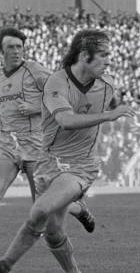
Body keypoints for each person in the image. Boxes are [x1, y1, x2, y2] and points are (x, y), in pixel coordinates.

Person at [0, 29, 136, 273]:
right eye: (104, 55)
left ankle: (4, 265)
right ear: (84, 56)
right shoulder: (56, 82)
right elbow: (65, 119)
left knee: (39, 210)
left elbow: (97, 108)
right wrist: (110, 116)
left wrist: (116, 114)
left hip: (79, 166)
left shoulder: (106, 84)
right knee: (52, 231)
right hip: (46, 160)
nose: (109, 60)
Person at [0, 28, 95, 233]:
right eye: (10, 47)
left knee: (43, 205)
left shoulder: (34, 71)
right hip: (7, 146)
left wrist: (35, 108)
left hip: (36, 146)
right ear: (1, 51)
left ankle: (78, 209)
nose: (16, 51)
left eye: (19, 47)